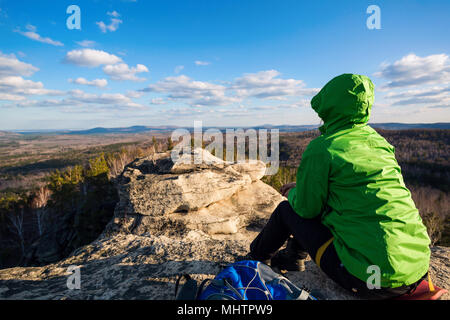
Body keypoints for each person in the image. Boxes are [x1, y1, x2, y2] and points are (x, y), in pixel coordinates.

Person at [249, 73, 431, 299]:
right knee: (333, 208)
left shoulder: (323, 148)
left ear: (329, 106)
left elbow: (306, 209)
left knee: (287, 210)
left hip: (372, 280)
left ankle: (254, 261)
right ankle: (293, 258)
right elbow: (357, 189)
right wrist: (305, 187)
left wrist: (296, 192)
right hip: (417, 269)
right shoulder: (379, 142)